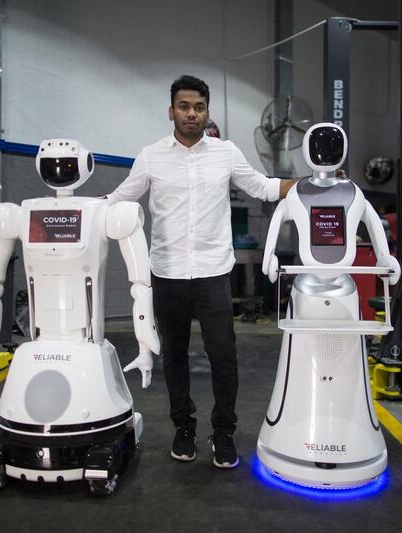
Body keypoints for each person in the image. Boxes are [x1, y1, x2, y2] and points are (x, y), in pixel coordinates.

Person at [108, 75, 296, 469]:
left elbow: (263, 187)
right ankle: (184, 428)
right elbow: (120, 198)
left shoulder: (226, 153)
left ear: (207, 111)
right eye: (183, 106)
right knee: (174, 355)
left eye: (198, 107)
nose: (191, 114)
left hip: (213, 272)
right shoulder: (151, 156)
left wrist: (316, 185)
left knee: (223, 355)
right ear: (171, 111)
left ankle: (224, 433)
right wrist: (82, 210)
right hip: (168, 273)